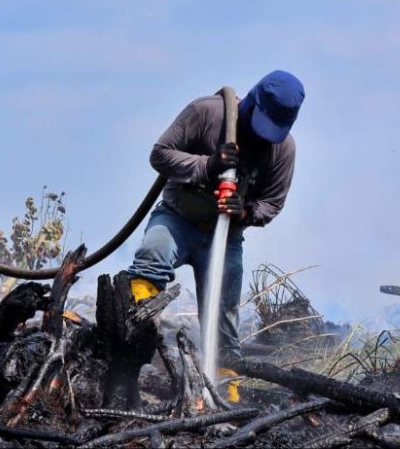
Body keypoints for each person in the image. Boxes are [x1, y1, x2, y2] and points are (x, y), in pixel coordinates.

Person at [127, 70, 305, 368]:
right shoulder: (207, 113)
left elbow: (272, 203)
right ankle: (132, 345)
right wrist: (207, 165)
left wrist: (245, 212)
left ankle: (226, 387)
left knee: (224, 321)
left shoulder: (283, 149)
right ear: (252, 101)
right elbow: (160, 154)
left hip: (225, 238)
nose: (261, 137)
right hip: (177, 218)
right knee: (152, 254)